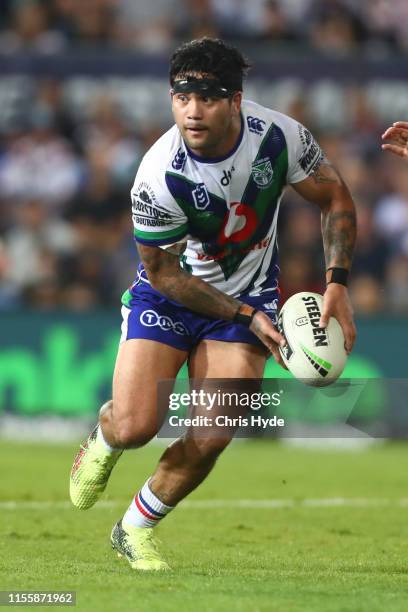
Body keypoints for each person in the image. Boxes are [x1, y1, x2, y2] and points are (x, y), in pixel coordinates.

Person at [69, 37, 357, 571]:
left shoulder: (280, 137)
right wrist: (247, 316)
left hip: (249, 292)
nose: (193, 110)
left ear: (236, 100)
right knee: (135, 426)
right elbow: (162, 271)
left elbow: (334, 196)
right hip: (171, 295)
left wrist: (336, 283)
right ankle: (104, 439)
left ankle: (134, 527)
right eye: (182, 97)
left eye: (208, 97)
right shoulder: (159, 175)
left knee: (213, 432)